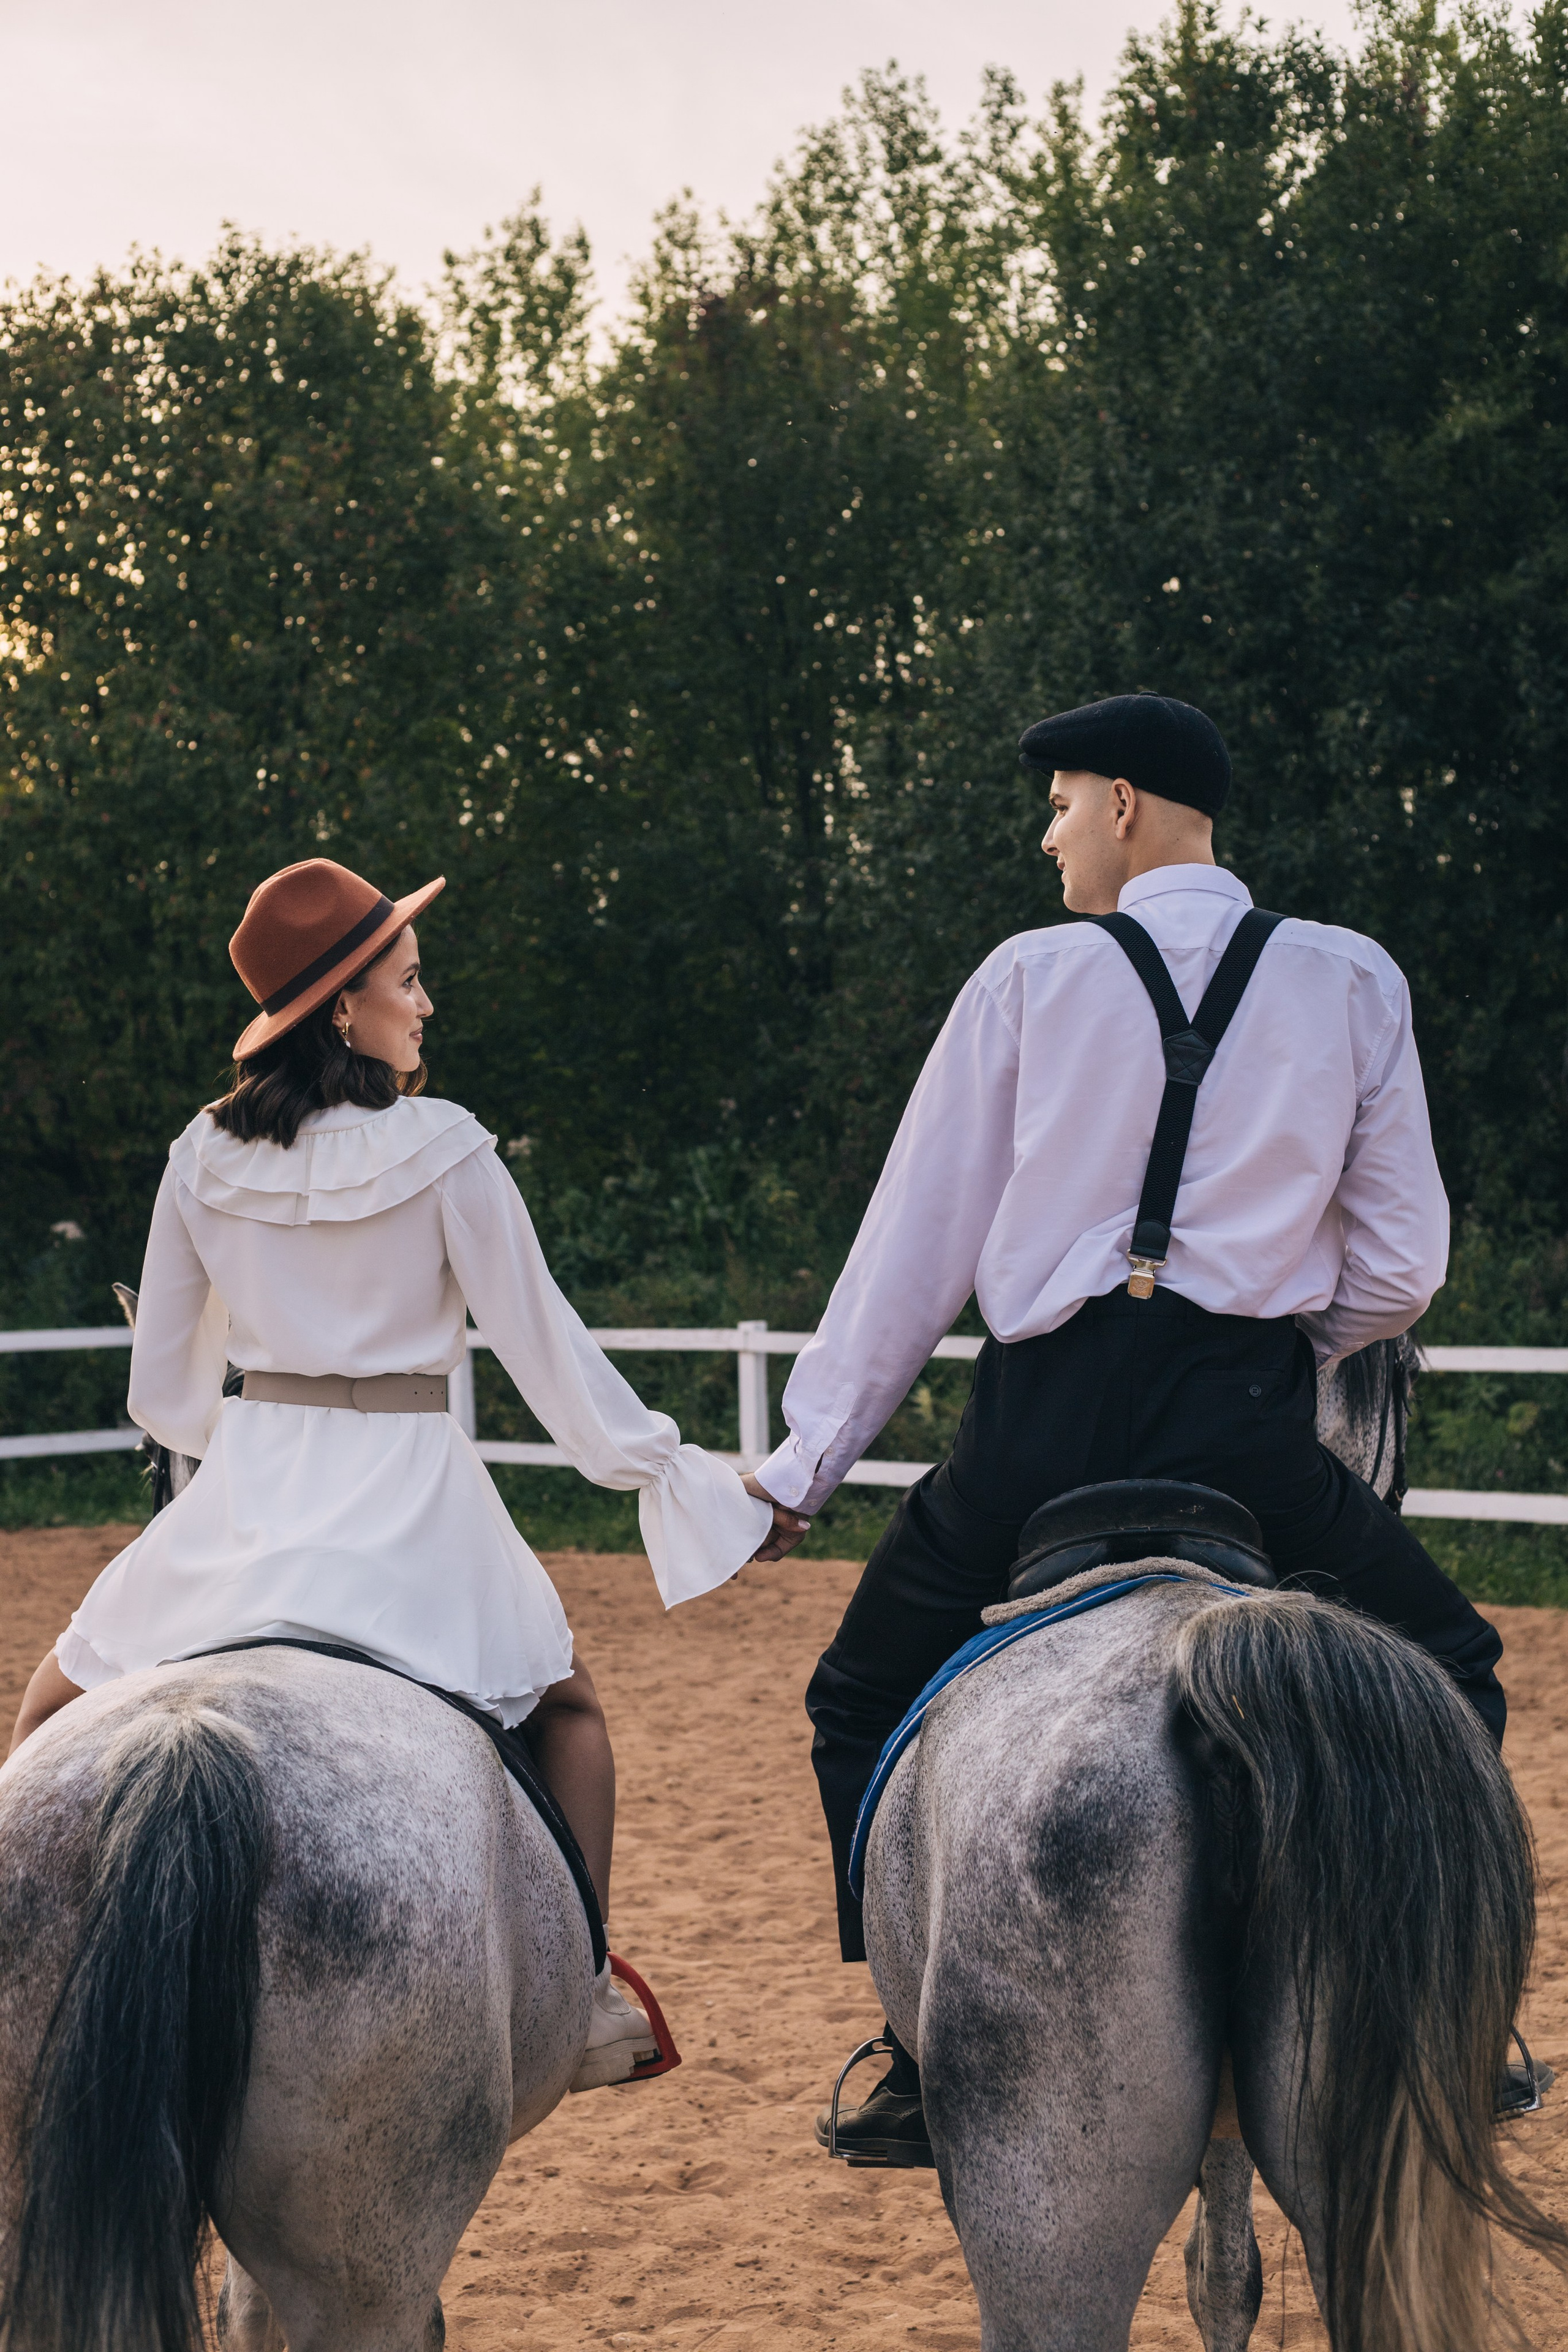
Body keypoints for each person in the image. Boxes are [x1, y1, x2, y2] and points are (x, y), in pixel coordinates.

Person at [741, 692, 1505, 2162]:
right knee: (1456, 1677)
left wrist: (802, 1469)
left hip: (1040, 1435)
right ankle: (1450, 2025)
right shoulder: (1350, 978)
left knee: (851, 1699)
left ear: (1125, 807)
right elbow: (1404, 1263)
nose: (1047, 836)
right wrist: (1280, 1341)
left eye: (1060, 802)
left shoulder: (1027, 978)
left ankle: (913, 2048)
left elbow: (915, 1250)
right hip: (1246, 1432)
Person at [8, 856, 805, 2090]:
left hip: (255, 1483)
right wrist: (682, 1480)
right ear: (343, 1008)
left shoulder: (202, 1156)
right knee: (571, 1716)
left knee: (53, 1706)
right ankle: (587, 1993)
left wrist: (248, 1454)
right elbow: (556, 1363)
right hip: (414, 1504)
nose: (426, 1006)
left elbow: (163, 1397)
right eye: (410, 980)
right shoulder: (443, 1151)